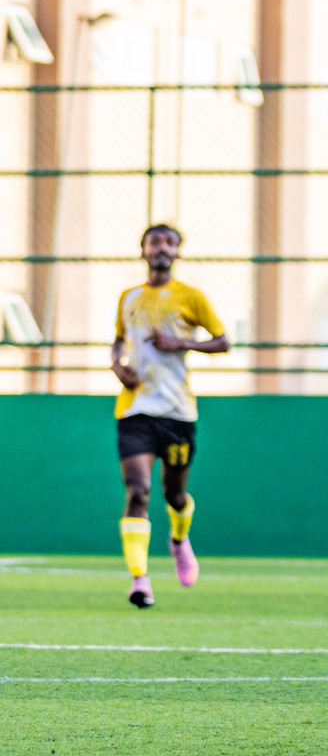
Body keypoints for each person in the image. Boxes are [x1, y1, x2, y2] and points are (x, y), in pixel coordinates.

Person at [110, 224, 229, 608]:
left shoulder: (190, 297)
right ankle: (139, 579)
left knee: (173, 494)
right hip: (135, 410)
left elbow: (223, 341)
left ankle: (178, 541)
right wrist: (117, 365)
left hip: (177, 413)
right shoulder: (128, 297)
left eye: (170, 243)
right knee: (138, 491)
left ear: (178, 253)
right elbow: (118, 339)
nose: (162, 248)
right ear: (142, 250)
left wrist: (178, 342)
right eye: (155, 242)